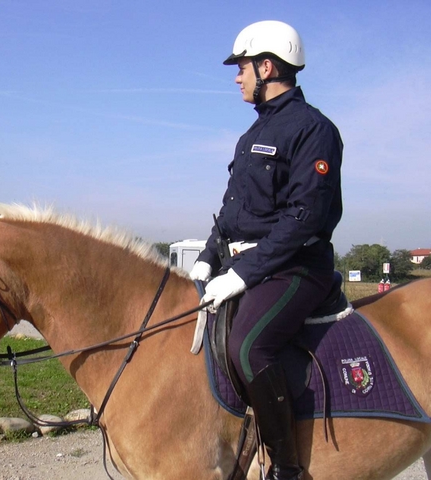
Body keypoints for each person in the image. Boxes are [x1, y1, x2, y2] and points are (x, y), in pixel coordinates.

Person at [189, 20, 343, 480]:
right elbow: (232, 213)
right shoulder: (248, 136)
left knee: (250, 346)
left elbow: (306, 217)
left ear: (267, 66)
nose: (237, 77)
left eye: (242, 68)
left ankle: (286, 467)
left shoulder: (314, 130)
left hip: (297, 267)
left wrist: (242, 273)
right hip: (251, 265)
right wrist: (209, 257)